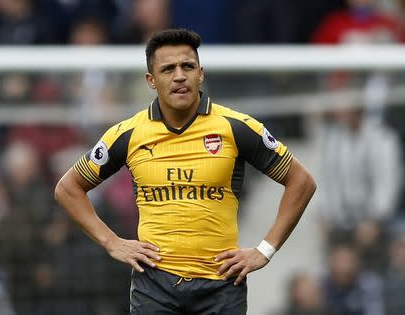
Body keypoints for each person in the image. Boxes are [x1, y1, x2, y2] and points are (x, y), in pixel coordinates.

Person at [54, 28, 316, 314]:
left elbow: (301, 181)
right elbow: (68, 188)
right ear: (151, 81)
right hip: (154, 286)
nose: (179, 75)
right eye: (168, 69)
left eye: (187, 66)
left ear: (200, 74)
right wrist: (111, 242)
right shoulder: (129, 134)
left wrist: (264, 250)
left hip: (221, 286)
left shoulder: (236, 127)